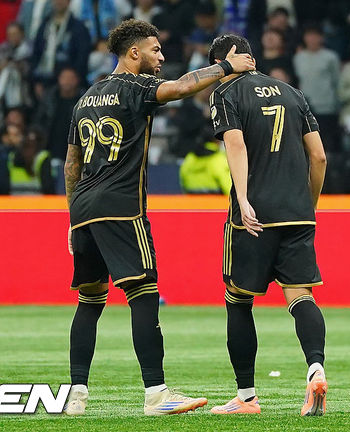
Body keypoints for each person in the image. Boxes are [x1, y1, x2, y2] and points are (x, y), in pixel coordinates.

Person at [62, 19, 255, 416]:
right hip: (121, 207)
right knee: (144, 295)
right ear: (134, 52)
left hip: (83, 209)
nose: (162, 57)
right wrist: (226, 66)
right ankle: (156, 393)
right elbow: (182, 87)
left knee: (90, 301)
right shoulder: (135, 87)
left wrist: (72, 217)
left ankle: (76, 395)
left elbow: (71, 165)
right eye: (155, 49)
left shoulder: (86, 98)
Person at [206, 34, 329, 416]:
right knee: (300, 296)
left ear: (223, 62)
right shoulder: (293, 93)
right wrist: (309, 205)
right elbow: (319, 157)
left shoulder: (225, 94)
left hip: (254, 215)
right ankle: (316, 369)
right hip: (297, 211)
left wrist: (244, 199)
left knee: (238, 300)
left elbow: (236, 145)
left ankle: (246, 397)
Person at [293, 24, 341, 153]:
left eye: (315, 35)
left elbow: (337, 81)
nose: (312, 39)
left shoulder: (331, 57)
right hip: (305, 106)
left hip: (327, 107)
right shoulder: (298, 58)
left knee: (326, 144)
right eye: (309, 35)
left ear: (321, 38)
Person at [31, 0, 91, 95]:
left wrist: (74, 76)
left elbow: (83, 56)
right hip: (44, 77)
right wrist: (36, 80)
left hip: (69, 80)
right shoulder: (44, 25)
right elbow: (36, 53)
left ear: (69, 2)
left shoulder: (79, 27)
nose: (58, 1)